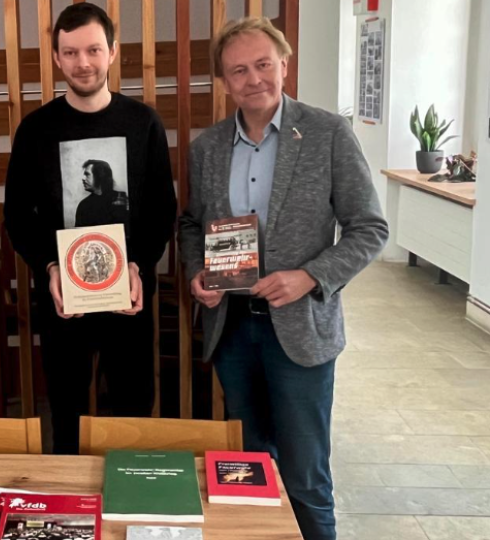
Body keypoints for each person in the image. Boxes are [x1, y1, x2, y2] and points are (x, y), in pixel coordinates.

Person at [178, 18, 388, 540]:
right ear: (224, 82)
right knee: (251, 466)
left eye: (264, 65)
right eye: (239, 70)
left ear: (284, 65)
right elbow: (190, 224)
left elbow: (370, 229)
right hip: (232, 330)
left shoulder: (327, 133)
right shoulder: (207, 148)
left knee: (306, 474)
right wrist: (196, 273)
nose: (254, 79)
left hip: (300, 330)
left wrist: (311, 277)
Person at [3, 3, 176, 454]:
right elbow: (19, 217)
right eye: (72, 52)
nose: (84, 62)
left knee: (134, 414)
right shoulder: (35, 130)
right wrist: (49, 268)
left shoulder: (144, 124)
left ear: (113, 52)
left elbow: (162, 209)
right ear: (57, 57)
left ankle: (129, 504)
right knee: (66, 417)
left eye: (94, 50)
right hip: (65, 303)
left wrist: (139, 264)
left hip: (130, 300)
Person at [74, 159, 128, 227]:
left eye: (87, 174)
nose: (83, 179)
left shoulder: (120, 198)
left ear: (99, 176)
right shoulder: (83, 205)